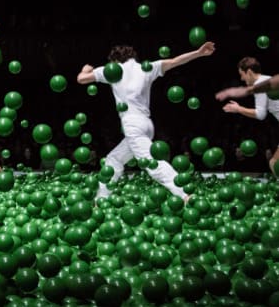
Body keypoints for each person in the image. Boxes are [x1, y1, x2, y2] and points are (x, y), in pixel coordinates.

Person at [78, 42, 215, 202]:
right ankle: (101, 199)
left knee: (153, 163)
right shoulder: (146, 68)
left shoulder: (112, 71)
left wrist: (85, 69)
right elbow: (175, 61)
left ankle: (185, 194)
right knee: (113, 159)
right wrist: (199, 52)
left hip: (132, 124)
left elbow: (81, 79)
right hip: (146, 124)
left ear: (115, 60)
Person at [220, 56, 279, 173]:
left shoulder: (260, 84)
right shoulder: (266, 79)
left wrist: (238, 109)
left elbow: (260, 114)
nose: (242, 78)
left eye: (242, 74)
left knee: (274, 163)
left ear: (249, 72)